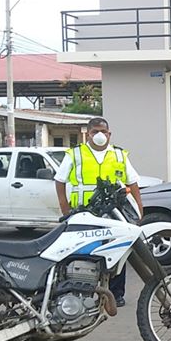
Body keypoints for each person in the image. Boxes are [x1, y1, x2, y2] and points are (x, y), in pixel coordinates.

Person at [54, 117, 144, 307]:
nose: (99, 135)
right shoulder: (76, 154)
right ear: (88, 134)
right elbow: (59, 181)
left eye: (103, 131)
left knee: (117, 253)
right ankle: (80, 292)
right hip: (84, 213)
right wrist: (65, 209)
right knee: (83, 253)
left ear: (109, 134)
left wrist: (139, 209)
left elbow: (132, 182)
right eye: (95, 131)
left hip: (114, 213)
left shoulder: (119, 155)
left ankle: (115, 294)